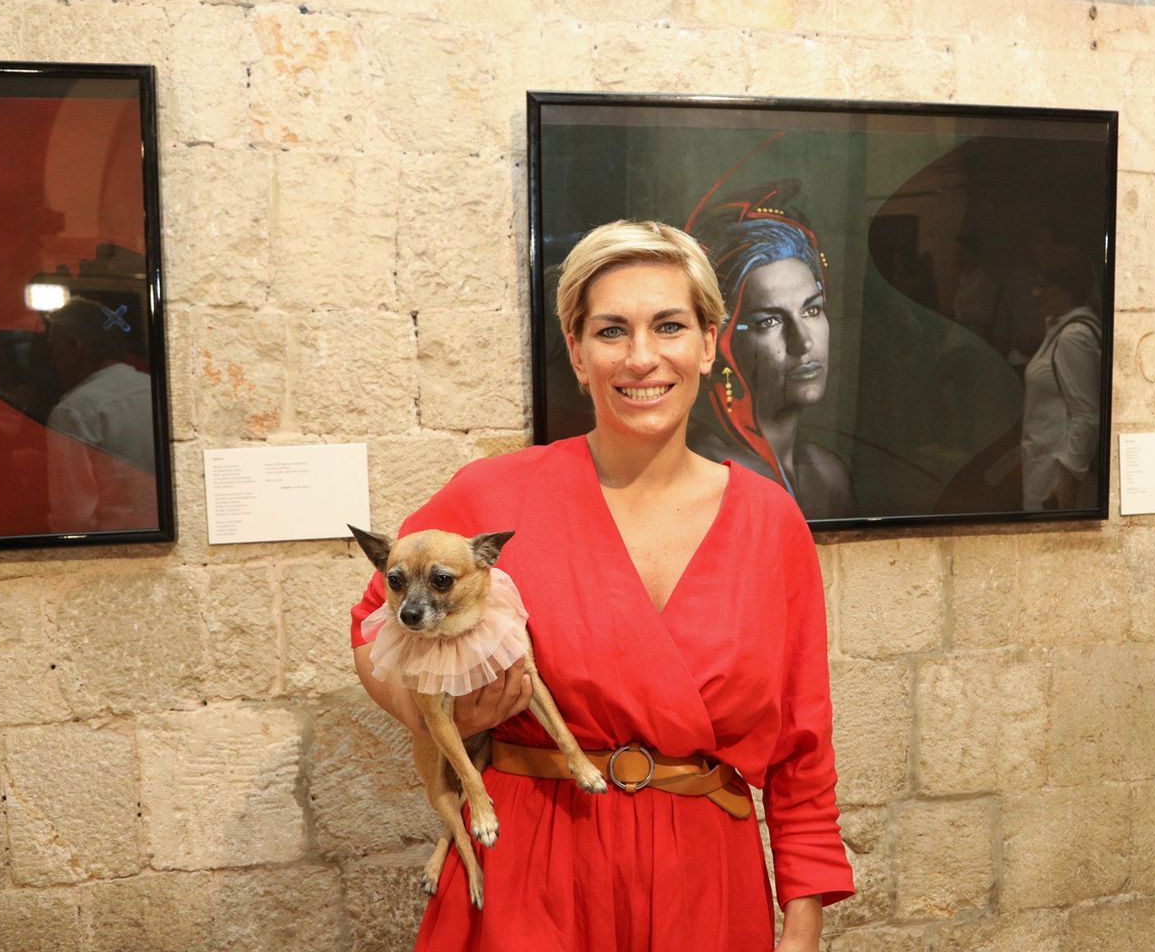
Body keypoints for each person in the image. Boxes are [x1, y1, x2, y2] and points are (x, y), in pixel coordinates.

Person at [350, 220, 854, 952]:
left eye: (669, 326)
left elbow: (803, 748)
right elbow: (371, 625)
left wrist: (802, 922)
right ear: (578, 353)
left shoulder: (769, 522)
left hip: (705, 880)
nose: (642, 357)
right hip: (532, 867)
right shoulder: (491, 495)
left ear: (708, 343)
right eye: (612, 331)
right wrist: (435, 717)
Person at [687, 205, 853, 519]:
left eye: (812, 310)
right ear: (719, 341)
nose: (803, 342)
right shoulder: (706, 471)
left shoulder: (828, 474)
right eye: (769, 322)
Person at [43, 296, 157, 532]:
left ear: (75, 348)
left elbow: (73, 519)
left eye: (54, 346)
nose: (51, 359)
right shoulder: (152, 389)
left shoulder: (72, 413)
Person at [1020, 246, 1104, 511]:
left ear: (1067, 290)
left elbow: (1086, 416)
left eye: (1041, 285)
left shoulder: (1074, 336)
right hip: (1045, 464)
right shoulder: (1061, 327)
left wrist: (1069, 483)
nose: (1035, 293)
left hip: (1056, 474)